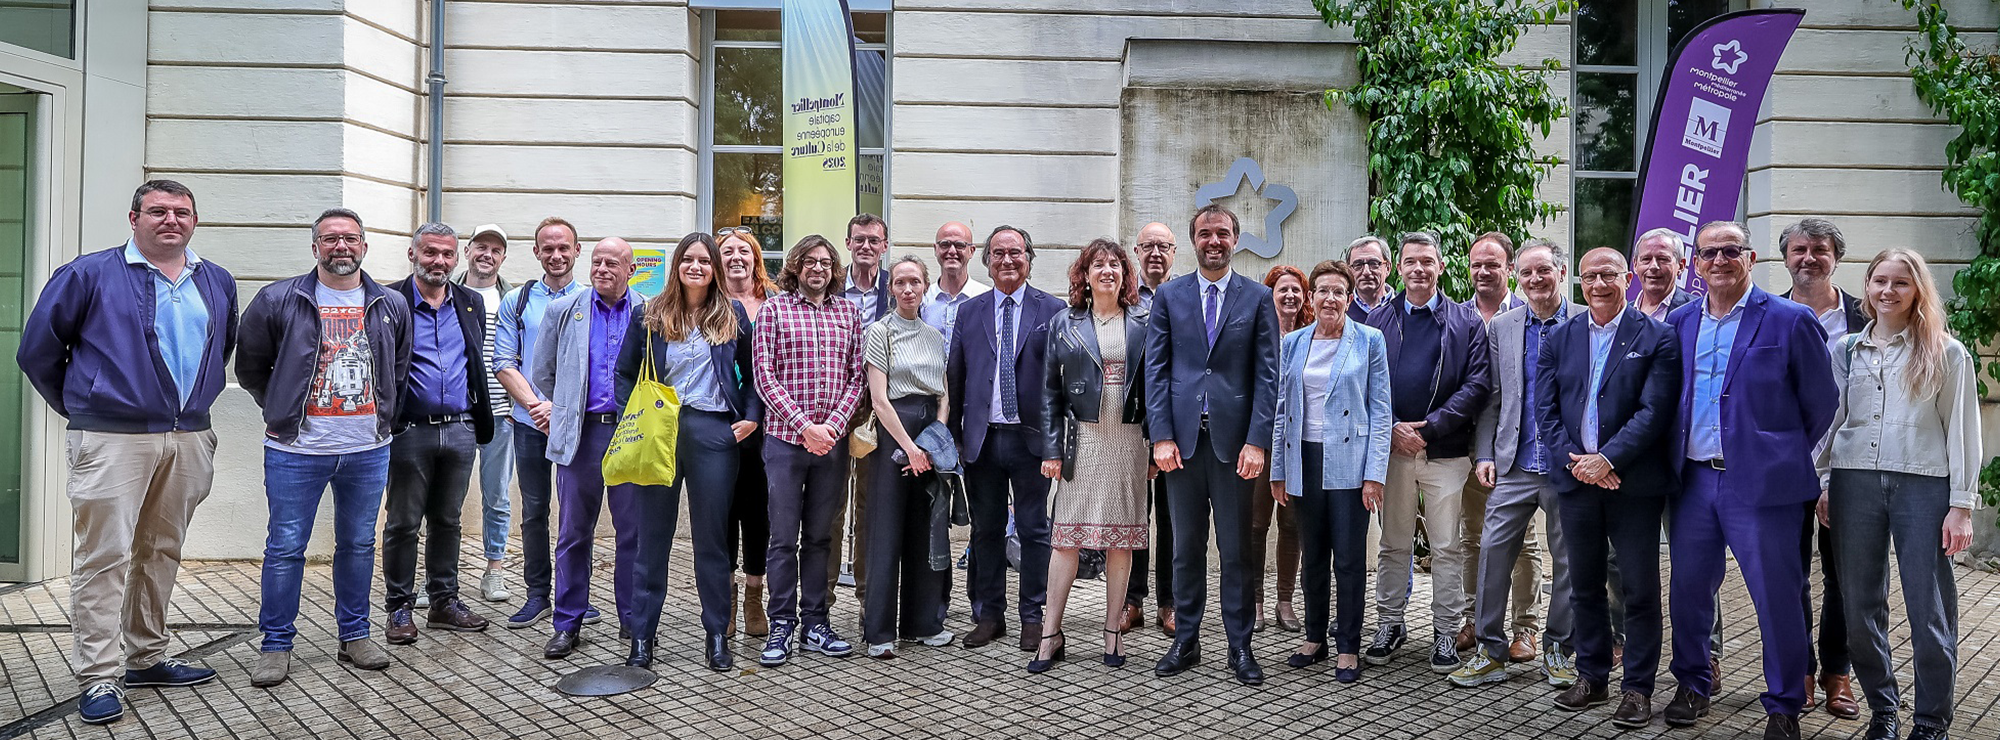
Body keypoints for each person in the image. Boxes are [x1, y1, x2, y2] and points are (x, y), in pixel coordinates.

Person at [17, 180, 237, 724]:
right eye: (157, 211)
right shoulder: (88, 274)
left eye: (181, 212)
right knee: (104, 555)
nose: (170, 220)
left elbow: (222, 345)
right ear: (133, 217)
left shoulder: (215, 280)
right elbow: (37, 352)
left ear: (194, 221)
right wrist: (88, 405)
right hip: (113, 438)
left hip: (187, 435)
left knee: (161, 549)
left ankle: (147, 655)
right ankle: (99, 676)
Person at [1662, 221, 1835, 740]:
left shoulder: (1790, 319)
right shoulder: (1680, 321)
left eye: (1730, 251)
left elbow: (1822, 402)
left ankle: (1783, 703)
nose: (1719, 260)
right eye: (1708, 253)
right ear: (1695, 262)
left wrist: (1776, 451)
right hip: (1692, 482)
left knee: (1777, 594)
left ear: (1751, 258)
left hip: (1763, 487)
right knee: (1689, 590)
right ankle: (1693, 682)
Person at [237, 207, 412, 687]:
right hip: (296, 450)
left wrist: (383, 420)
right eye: (330, 238)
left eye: (350, 239)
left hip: (368, 448)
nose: (341, 246)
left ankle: (354, 636)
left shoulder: (389, 304)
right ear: (315, 246)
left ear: (364, 246)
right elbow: (250, 367)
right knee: (286, 547)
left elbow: (397, 368)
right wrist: (283, 408)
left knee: (357, 544)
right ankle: (275, 645)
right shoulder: (279, 298)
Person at [1817, 248, 1978, 740]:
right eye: (1878, 281)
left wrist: (1961, 506)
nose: (1888, 291)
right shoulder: (1843, 349)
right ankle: (1883, 710)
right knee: (1858, 606)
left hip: (1923, 484)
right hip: (1853, 482)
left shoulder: (1946, 352)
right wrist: (1825, 481)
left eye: (1900, 283)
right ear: (1866, 287)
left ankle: (1931, 721)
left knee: (1928, 607)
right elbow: (1830, 422)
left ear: (1917, 291)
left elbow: (1963, 431)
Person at [1537, 247, 1681, 726]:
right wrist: (1579, 464)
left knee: (1639, 589)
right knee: (1584, 584)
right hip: (1577, 482)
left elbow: (1654, 411)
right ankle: (1592, 676)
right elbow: (1547, 411)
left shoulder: (1658, 335)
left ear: (1629, 277)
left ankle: (1638, 688)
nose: (1599, 284)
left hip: (1632, 484)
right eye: (1590, 276)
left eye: (1609, 274)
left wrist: (1608, 459)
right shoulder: (1559, 337)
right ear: (1578, 282)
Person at [1145, 204, 1282, 686]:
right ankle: (1186, 639)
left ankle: (1240, 646)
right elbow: (1156, 371)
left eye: (1222, 233)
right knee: (1184, 548)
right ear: (1194, 241)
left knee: (1237, 549)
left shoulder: (1257, 298)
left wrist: (1257, 442)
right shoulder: (1168, 295)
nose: (1214, 241)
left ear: (1235, 239)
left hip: (1235, 448)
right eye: (1205, 234)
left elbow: (1268, 376)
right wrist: (1160, 436)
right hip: (1180, 446)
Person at [616, 232, 762, 671]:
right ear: (677, 265)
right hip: (659, 430)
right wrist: (635, 419)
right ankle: (642, 637)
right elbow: (623, 374)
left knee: (712, 540)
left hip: (713, 431)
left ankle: (717, 635)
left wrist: (750, 416)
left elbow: (756, 370)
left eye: (704, 261)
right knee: (651, 539)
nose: (696, 267)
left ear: (714, 268)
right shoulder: (651, 314)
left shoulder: (731, 313)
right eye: (689, 260)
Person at [1362, 231, 1491, 673]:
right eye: (1410, 261)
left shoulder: (1467, 322)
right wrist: (1393, 428)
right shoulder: (1377, 321)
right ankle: (1390, 624)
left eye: (1427, 261)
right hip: (1391, 451)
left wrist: (1431, 428)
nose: (1419, 269)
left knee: (1447, 545)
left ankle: (1444, 634)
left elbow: (1477, 385)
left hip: (1446, 453)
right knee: (1393, 543)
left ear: (1441, 267)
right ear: (1399, 269)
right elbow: (1366, 385)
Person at [1451, 239, 1575, 688]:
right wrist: (1484, 453)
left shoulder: (1583, 320)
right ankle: (1490, 649)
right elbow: (1493, 397)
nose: (1536, 279)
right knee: (1492, 554)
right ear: (1517, 278)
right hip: (1514, 464)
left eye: (1544, 270)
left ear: (1560, 271)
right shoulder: (1503, 326)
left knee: (1569, 560)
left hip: (1568, 467)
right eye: (1527, 273)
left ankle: (1559, 649)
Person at [1030, 239, 1150, 672]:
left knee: (1121, 539)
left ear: (1124, 274)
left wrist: (1157, 444)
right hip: (1082, 441)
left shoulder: (1144, 320)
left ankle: (1112, 633)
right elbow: (1049, 393)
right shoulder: (1065, 322)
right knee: (1066, 540)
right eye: (1098, 264)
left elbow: (1156, 387)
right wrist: (1051, 450)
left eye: (1115, 264)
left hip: (1130, 441)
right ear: (1085, 274)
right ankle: (1050, 633)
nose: (1107, 271)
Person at [1269, 260, 1389, 685]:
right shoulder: (1295, 343)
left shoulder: (1370, 341)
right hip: (1304, 458)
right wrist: (1278, 470)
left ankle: (1348, 646)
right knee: (1313, 555)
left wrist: (1375, 475)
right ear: (1311, 297)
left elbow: (1380, 410)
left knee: (1350, 559)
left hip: (1351, 465)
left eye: (1339, 292)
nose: (1330, 299)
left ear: (1350, 298)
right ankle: (1315, 637)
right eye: (1323, 291)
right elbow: (1283, 409)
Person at [947, 225, 1066, 652]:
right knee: (986, 530)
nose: (1007, 261)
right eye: (998, 254)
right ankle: (988, 615)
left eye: (1015, 253)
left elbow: (1061, 383)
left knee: (1035, 530)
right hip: (983, 439)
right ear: (987, 260)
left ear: (1029, 258)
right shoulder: (970, 311)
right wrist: (956, 438)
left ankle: (1033, 617)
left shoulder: (1053, 310)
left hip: (1031, 440)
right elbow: (956, 378)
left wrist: (1059, 442)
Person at [752, 235, 867, 666]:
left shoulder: (849, 314)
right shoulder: (774, 310)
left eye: (825, 262)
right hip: (785, 442)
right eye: (810, 262)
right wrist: (805, 427)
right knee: (782, 539)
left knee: (820, 537)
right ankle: (781, 623)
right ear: (796, 267)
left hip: (832, 445)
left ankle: (816, 622)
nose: (818, 268)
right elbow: (764, 377)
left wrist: (832, 427)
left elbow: (858, 379)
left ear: (834, 269)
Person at [529, 237, 646, 660]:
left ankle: (634, 621)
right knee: (574, 532)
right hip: (583, 436)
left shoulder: (647, 311)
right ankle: (567, 622)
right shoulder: (565, 309)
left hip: (631, 434)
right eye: (596, 261)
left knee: (632, 532)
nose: (601, 269)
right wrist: (563, 409)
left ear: (630, 270)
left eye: (611, 263)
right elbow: (541, 370)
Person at [381, 223, 495, 646]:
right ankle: (399, 607)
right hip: (410, 429)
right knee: (403, 522)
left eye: (447, 254)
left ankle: (444, 602)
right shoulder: (390, 300)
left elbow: (475, 359)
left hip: (461, 427)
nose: (439, 262)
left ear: (458, 256)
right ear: (413, 254)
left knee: (448, 521)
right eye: (430, 253)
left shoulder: (469, 302)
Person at [1778, 217, 1862, 719]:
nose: (1808, 257)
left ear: (1836, 257)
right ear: (1785, 257)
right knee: (1790, 576)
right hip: (1786, 467)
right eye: (1799, 249)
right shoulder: (1765, 313)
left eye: (1820, 249)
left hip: (1848, 468)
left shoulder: (1864, 313)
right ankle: (1800, 672)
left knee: (1844, 576)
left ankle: (1838, 674)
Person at [491, 218, 589, 629]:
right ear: (536, 253)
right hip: (530, 423)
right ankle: (537, 595)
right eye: (547, 248)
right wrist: (538, 406)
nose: (556, 255)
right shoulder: (517, 300)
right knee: (534, 510)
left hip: (577, 424)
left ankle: (574, 595)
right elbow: (503, 363)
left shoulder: (592, 298)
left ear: (577, 250)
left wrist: (562, 408)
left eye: (563, 247)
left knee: (576, 512)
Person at [859, 256, 957, 659]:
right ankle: (879, 631)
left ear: (924, 287)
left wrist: (934, 441)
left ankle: (923, 623)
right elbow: (879, 400)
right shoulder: (879, 332)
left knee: (926, 528)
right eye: (900, 282)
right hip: (892, 434)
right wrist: (910, 448)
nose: (907, 289)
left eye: (915, 282)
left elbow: (944, 393)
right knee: (886, 530)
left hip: (929, 430)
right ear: (890, 288)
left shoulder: (935, 335)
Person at [1457, 231, 1544, 661]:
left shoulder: (1530, 312)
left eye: (1493, 264)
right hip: (1472, 449)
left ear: (1509, 268)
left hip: (1518, 452)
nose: (1484, 271)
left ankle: (1525, 628)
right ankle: (1474, 619)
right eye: (1477, 264)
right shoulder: (1456, 317)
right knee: (1475, 539)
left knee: (1525, 542)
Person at [719, 227, 778, 638]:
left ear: (756, 258)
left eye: (744, 251)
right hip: (721, 423)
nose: (736, 257)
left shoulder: (775, 302)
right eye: (727, 252)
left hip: (770, 425)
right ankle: (726, 597)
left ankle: (755, 595)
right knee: (722, 511)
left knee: (760, 513)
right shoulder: (707, 302)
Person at [833, 213, 893, 605]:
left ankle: (869, 597)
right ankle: (821, 603)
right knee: (832, 502)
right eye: (859, 240)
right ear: (849, 243)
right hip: (834, 406)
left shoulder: (897, 286)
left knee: (870, 505)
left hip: (879, 409)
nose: (866, 246)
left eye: (874, 240)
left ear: (884, 246)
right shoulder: (830, 284)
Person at [457, 224, 516, 603]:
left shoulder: (513, 299)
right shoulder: (448, 294)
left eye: (495, 249)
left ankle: (494, 570)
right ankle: (437, 576)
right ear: (468, 250)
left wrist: (518, 406)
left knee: (497, 497)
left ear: (503, 257)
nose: (487, 254)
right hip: (458, 415)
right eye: (481, 246)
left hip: (501, 414)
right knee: (444, 500)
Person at [1249, 265, 1309, 633]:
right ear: (1270, 294)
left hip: (1298, 445)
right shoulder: (1257, 335)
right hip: (1262, 442)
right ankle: (1254, 602)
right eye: (1282, 289)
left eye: (1296, 290)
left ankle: (1284, 602)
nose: (1289, 296)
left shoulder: (1312, 338)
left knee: (1292, 525)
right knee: (1256, 524)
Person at [1126, 221, 1179, 635]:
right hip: (1129, 427)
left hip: (1175, 427)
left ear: (1175, 253)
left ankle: (1170, 603)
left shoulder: (1183, 297)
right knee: (1133, 516)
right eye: (1148, 246)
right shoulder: (1124, 299)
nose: (1156, 253)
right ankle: (1131, 600)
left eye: (1164, 246)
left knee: (1174, 517)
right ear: (1137, 251)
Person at [922, 221, 990, 345]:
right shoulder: (923, 299)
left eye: (959, 245)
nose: (952, 251)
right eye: (945, 244)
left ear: (972, 251)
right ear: (935, 249)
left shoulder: (987, 299)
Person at [1632, 228, 1698, 322]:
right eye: (1646, 259)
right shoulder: (1623, 313)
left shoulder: (1697, 311)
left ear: (1681, 265)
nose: (1654, 266)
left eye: (1663, 259)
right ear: (1635, 265)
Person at [1344, 236, 1393, 320]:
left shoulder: (1406, 309)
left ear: (1388, 268)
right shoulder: (1341, 311)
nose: (1366, 272)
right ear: (1349, 271)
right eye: (1358, 265)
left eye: (1373, 263)